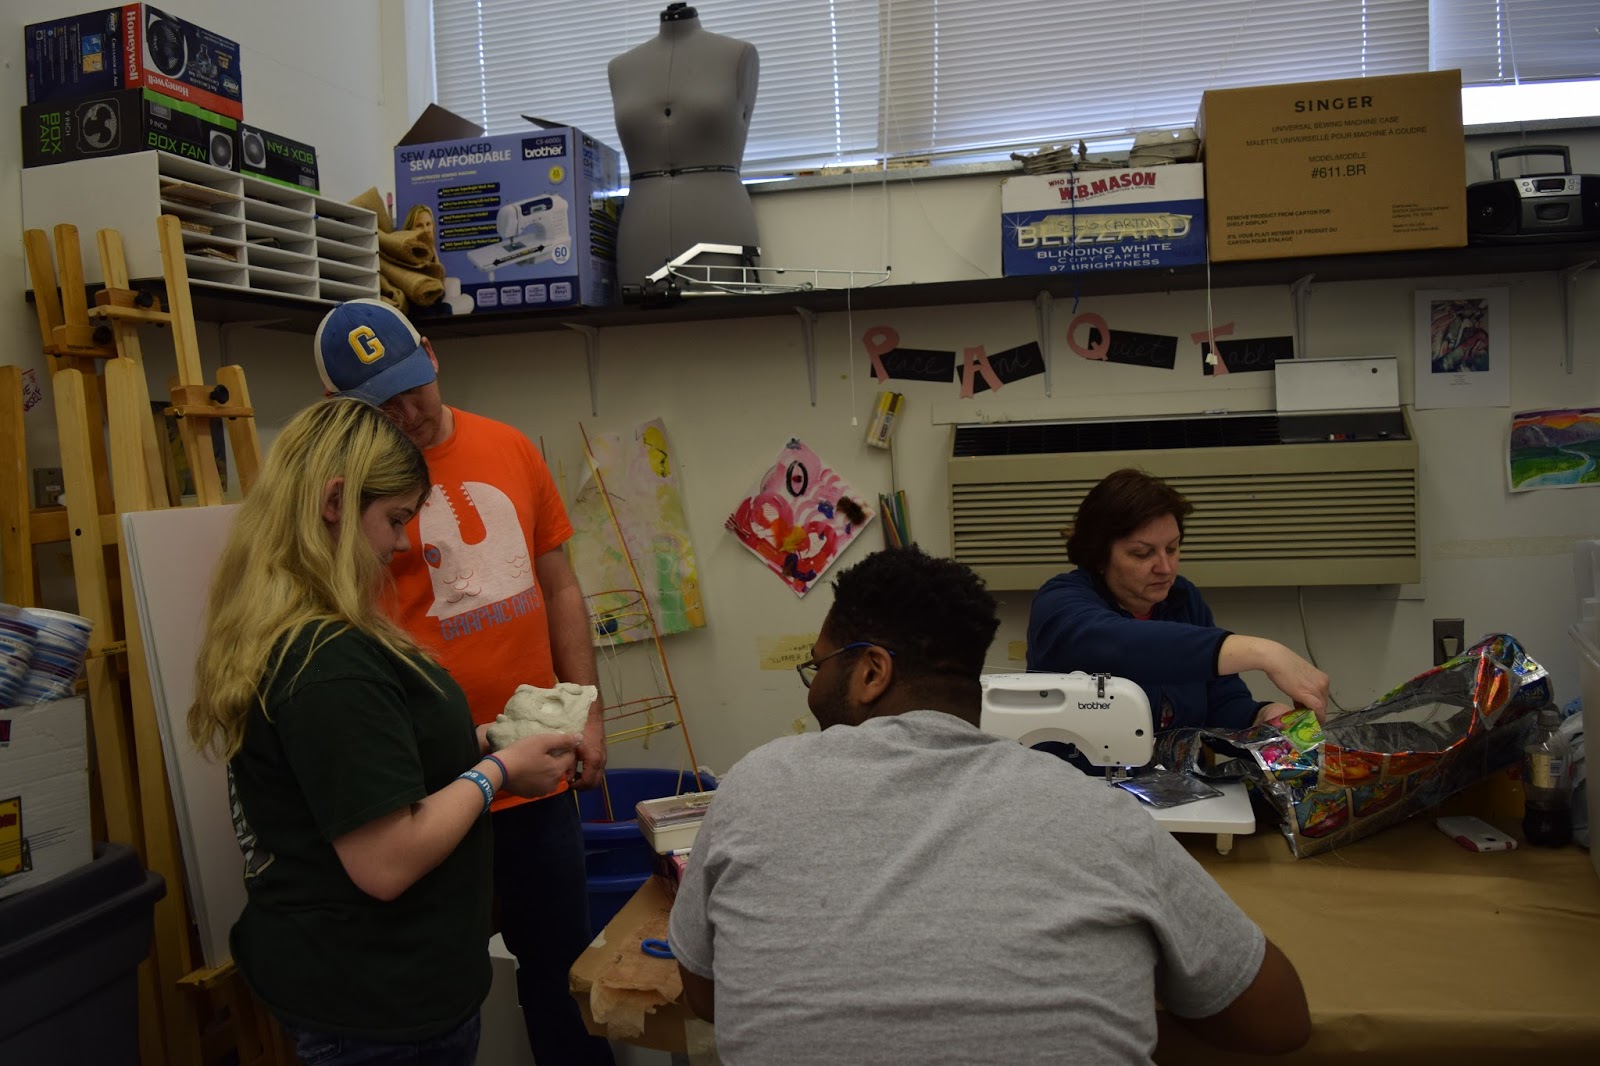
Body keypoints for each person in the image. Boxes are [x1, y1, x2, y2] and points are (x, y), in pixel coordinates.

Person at [668, 546, 1311, 1064]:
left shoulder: (753, 788)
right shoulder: (1098, 817)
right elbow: (1279, 1024)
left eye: (819, 668)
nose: (814, 689)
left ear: (871, 672)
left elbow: (705, 995)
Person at [188, 398, 584, 1064]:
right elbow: (385, 860)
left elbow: (373, 766)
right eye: (396, 519)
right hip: (374, 1001)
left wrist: (482, 741)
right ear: (335, 502)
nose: (401, 544)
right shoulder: (327, 661)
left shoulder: (316, 633)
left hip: (381, 984)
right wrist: (500, 771)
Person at [311, 299, 615, 1065]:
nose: (407, 414)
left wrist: (587, 711)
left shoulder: (507, 447)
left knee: (564, 976)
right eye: (380, 406)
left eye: (412, 388)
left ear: (432, 354)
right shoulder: (348, 498)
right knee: (436, 993)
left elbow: (561, 587)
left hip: (535, 766)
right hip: (425, 787)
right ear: (335, 406)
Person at [1027, 467, 1331, 732]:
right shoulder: (1060, 603)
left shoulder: (1183, 600)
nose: (1165, 567)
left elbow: (1221, 702)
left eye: (1172, 549)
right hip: (1077, 777)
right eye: (1142, 553)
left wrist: (1262, 717)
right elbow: (1121, 644)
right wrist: (1266, 653)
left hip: (1174, 779)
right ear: (1099, 555)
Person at [608, 3, 759, 294]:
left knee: (729, 316)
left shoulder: (738, 54)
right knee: (638, 318)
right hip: (642, 225)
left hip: (719, 217)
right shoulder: (620, 68)